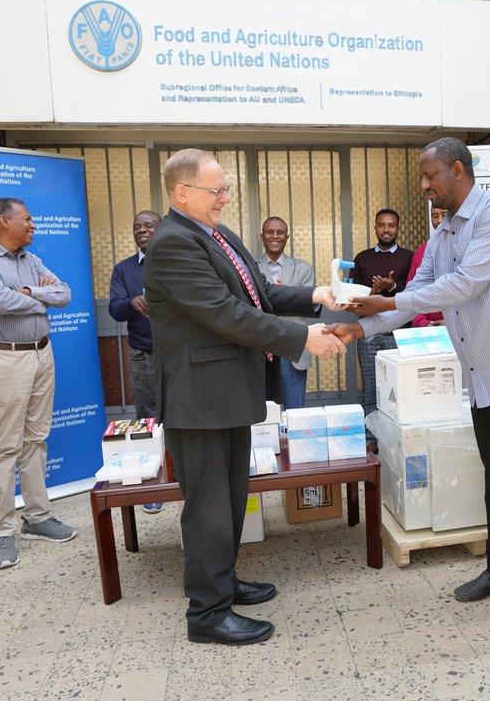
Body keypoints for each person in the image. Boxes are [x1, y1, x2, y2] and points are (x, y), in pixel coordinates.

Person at [331, 138, 490, 637]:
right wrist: (358, 328)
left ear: (457, 171)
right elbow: (418, 293)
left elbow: (466, 284)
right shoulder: (442, 235)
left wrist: (382, 304)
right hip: (486, 377)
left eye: (429, 177)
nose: (425, 187)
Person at [144, 148, 346, 646]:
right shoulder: (173, 244)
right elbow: (224, 314)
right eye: (217, 191)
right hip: (200, 399)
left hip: (228, 394)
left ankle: (224, 581)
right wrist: (301, 338)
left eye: (225, 189)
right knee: (208, 506)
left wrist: (314, 295)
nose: (225, 198)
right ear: (182, 192)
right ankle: (207, 613)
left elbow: (255, 295)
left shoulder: (216, 235)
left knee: (232, 499)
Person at [0, 197, 77, 570]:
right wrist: (35, 297)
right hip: (4, 356)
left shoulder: (31, 260)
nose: (33, 225)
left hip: (42, 353)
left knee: (36, 439)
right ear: (4, 221)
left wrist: (28, 294)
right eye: (27, 220)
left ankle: (38, 518)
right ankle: (3, 531)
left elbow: (65, 294)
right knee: (5, 446)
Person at [108, 209, 165, 513]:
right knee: (147, 419)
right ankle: (152, 486)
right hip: (144, 355)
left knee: (184, 415)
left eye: (148, 226)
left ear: (161, 229)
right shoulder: (124, 270)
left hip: (180, 355)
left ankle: (182, 479)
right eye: (137, 226)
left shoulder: (178, 264)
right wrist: (131, 302)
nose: (142, 230)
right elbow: (115, 310)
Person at [349, 208, 415, 421]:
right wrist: (372, 292)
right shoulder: (362, 258)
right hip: (368, 334)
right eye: (382, 225)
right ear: (375, 227)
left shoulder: (409, 257)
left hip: (400, 332)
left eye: (391, 225)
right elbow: (351, 295)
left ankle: (394, 440)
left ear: (398, 228)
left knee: (400, 389)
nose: (386, 230)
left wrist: (392, 285)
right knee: (371, 389)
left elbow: (417, 292)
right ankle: (371, 439)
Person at [256, 216, 317, 409]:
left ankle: (293, 441)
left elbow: (309, 307)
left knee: (295, 412)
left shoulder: (304, 269)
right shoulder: (250, 267)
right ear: (262, 236)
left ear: (287, 237)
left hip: (294, 347)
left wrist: (283, 294)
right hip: (261, 349)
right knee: (264, 414)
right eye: (270, 232)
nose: (275, 236)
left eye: (280, 232)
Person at [409, 206, 446, 328]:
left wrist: (453, 323)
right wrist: (424, 324)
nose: (439, 220)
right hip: (427, 330)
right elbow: (412, 293)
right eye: (435, 216)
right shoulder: (422, 250)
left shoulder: (467, 246)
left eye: (444, 215)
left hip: (462, 330)